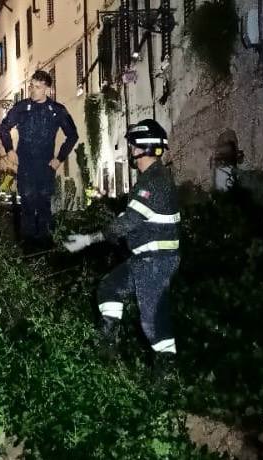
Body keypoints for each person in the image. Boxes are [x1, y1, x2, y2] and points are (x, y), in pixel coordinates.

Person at [64, 119, 181, 377]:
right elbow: (136, 218)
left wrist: (89, 239)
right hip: (145, 258)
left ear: (143, 148)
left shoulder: (153, 181)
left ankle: (167, 379)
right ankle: (107, 349)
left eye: (133, 147)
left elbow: (129, 222)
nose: (131, 152)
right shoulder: (153, 177)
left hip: (155, 261)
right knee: (110, 287)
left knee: (153, 323)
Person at [0, 70, 79, 251]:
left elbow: (72, 135)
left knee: (43, 204)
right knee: (27, 203)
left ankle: (45, 247)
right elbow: (3, 128)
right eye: (31, 86)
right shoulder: (21, 108)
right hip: (25, 164)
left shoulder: (57, 110)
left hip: (46, 165)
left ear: (47, 89)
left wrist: (60, 158)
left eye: (38, 87)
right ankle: (27, 247)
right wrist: (9, 149)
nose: (33, 90)